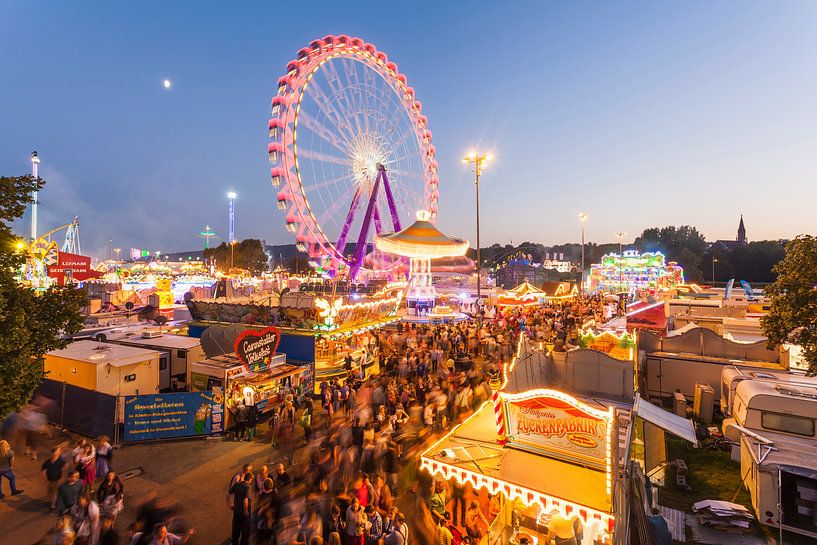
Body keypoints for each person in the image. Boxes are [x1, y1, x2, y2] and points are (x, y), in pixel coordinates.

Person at [229, 472, 252, 545]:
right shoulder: (247, 487)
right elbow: (245, 501)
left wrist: (231, 504)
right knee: (245, 533)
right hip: (244, 514)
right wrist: (246, 510)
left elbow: (229, 493)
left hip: (236, 512)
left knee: (236, 531)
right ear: (250, 479)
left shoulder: (237, 484)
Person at [42, 446, 67, 510]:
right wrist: (45, 479)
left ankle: (52, 506)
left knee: (54, 493)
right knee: (50, 492)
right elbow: (43, 470)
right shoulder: (48, 462)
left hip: (56, 480)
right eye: (55, 452)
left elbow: (63, 469)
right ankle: (54, 501)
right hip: (49, 480)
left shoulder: (61, 461)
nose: (56, 453)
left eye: (58, 452)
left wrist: (61, 478)